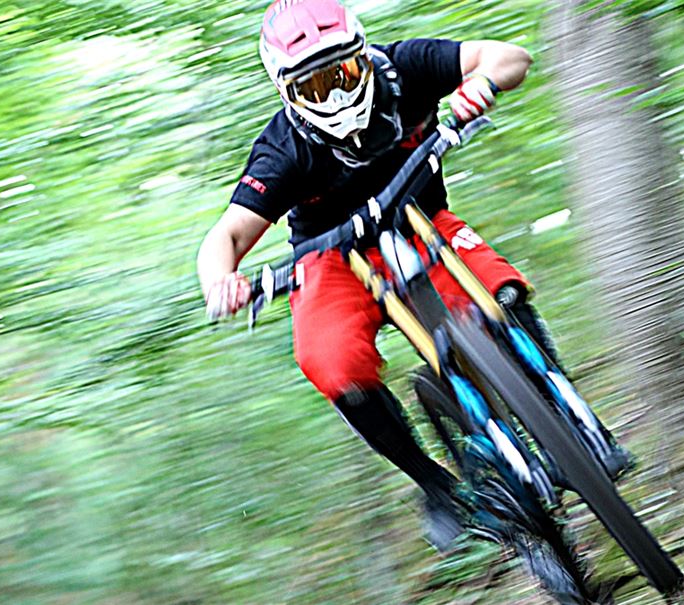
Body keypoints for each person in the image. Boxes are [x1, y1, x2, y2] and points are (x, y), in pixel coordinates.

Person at [196, 0, 555, 552]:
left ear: (364, 54)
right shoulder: (282, 149)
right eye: (313, 88)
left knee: (499, 288)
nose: (335, 95)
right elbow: (227, 237)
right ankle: (436, 485)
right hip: (332, 257)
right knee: (331, 362)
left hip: (422, 220)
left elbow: (510, 57)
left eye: (343, 72)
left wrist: (477, 87)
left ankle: (561, 412)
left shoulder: (406, 66)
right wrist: (220, 279)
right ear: (286, 93)